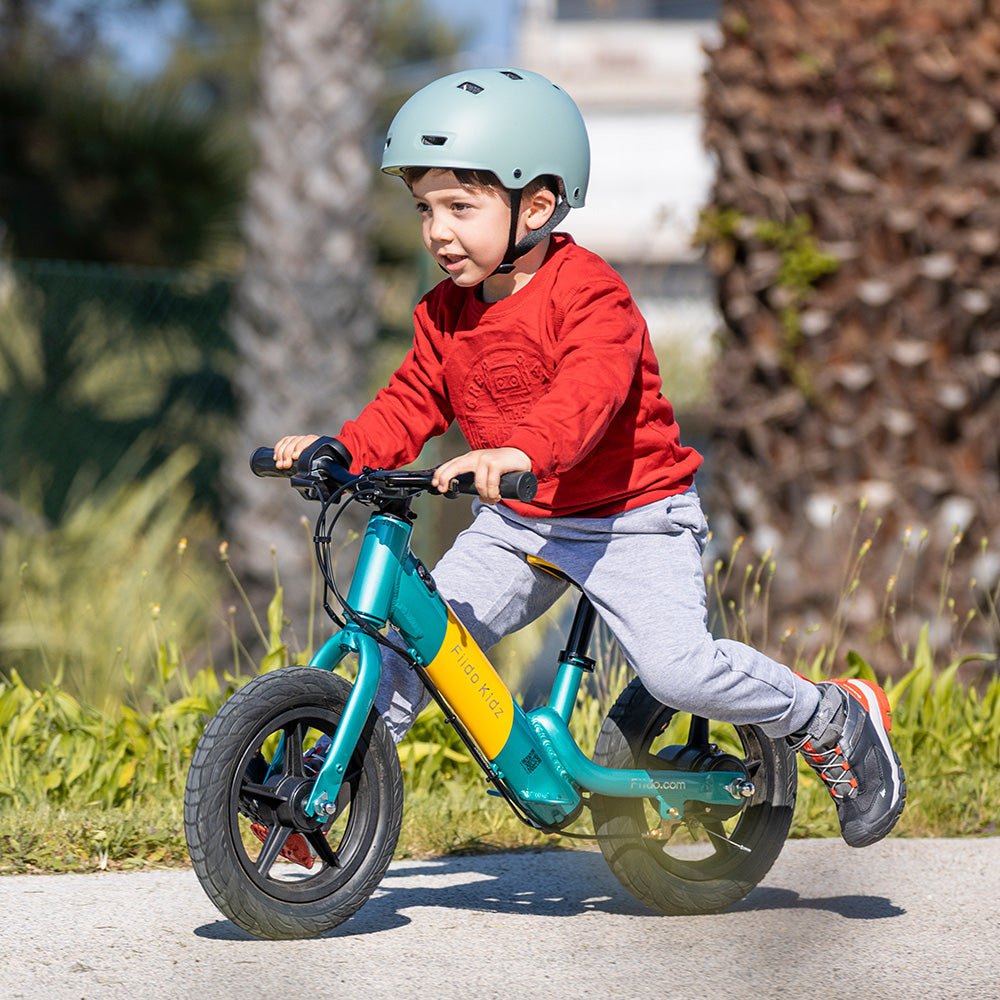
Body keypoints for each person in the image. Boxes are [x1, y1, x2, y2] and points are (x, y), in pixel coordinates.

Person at [273, 67, 906, 849]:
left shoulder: (590, 295)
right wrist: (344, 449)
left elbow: (589, 392)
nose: (436, 231)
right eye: (424, 209)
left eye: (460, 208)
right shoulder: (443, 313)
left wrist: (519, 449)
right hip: (521, 525)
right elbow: (409, 401)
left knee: (676, 671)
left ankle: (831, 715)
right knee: (407, 650)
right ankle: (320, 802)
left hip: (633, 517)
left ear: (535, 206)